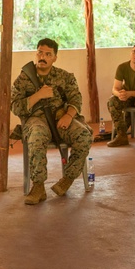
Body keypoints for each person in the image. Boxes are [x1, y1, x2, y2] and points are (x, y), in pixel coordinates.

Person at [11, 39, 92, 204]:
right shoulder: (24, 78)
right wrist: (37, 96)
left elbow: (76, 100)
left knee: (84, 135)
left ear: (55, 57)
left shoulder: (65, 77)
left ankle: (67, 179)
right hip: (36, 120)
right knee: (36, 136)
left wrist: (68, 116)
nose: (43, 57)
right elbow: (15, 107)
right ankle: (38, 186)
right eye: (40, 52)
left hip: (61, 119)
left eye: (48, 54)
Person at [106, 43, 135, 149]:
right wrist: (120, 95)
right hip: (127, 96)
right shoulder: (122, 67)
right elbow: (115, 88)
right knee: (112, 101)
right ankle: (121, 135)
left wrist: (129, 93)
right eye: (134, 52)